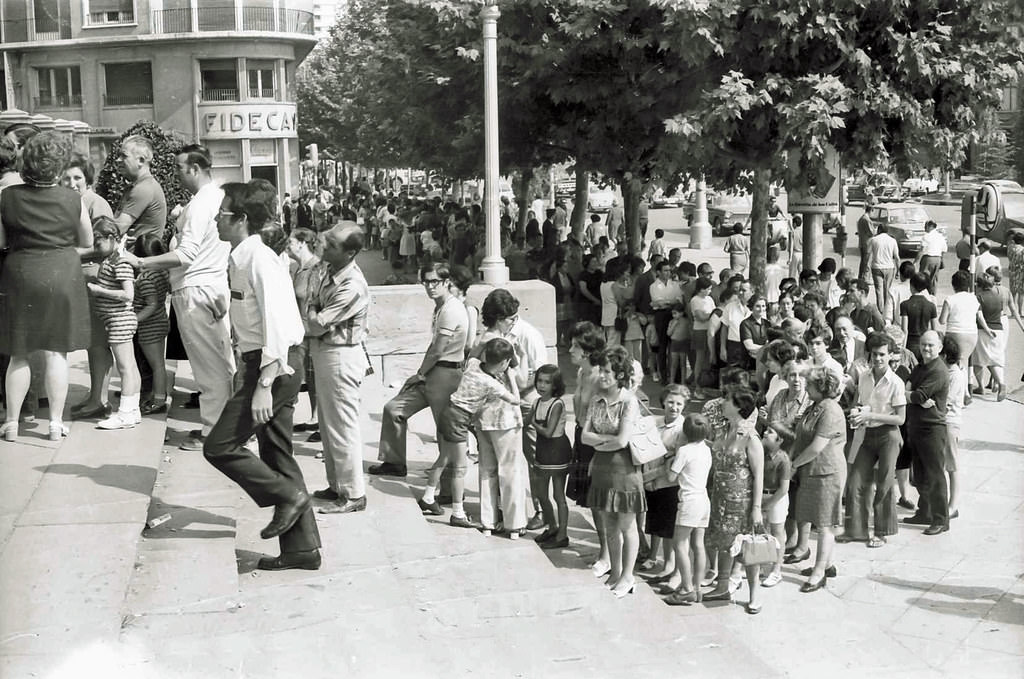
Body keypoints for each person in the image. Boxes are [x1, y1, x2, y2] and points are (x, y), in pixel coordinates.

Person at [204, 180, 320, 571]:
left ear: (241, 220)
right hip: (264, 363)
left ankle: (287, 496)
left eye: (222, 213)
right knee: (276, 453)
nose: (216, 218)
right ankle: (302, 550)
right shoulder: (241, 257)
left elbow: (280, 325)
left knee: (219, 446)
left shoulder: (259, 260)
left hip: (274, 365)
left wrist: (263, 386)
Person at [120, 144, 233, 452]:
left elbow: (185, 254)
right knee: (220, 363)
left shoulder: (200, 205)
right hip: (211, 284)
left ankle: (215, 433)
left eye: (180, 169)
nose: (177, 175)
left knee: (209, 368)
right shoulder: (215, 198)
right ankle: (225, 428)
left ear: (195, 169)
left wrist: (142, 262)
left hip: (196, 289)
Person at [1, 131, 92, 442]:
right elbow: (87, 241)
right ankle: (54, 424)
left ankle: (12, 423)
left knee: (18, 353)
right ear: (58, 165)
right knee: (56, 353)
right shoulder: (73, 199)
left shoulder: (7, 197)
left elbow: (1, 242)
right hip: (62, 273)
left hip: (21, 272)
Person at [373, 262, 467, 477]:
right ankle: (394, 462)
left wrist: (420, 374)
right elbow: (433, 346)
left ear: (446, 282)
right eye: (426, 282)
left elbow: (438, 349)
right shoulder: (440, 307)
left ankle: (449, 488)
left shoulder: (451, 309)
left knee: (444, 430)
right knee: (393, 409)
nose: (430, 287)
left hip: (446, 373)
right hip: (433, 372)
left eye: (435, 282)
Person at [305, 223, 371, 514]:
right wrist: (313, 312)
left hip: (341, 355)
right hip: (326, 352)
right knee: (329, 425)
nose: (325, 248)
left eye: (332, 245)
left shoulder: (353, 284)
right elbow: (311, 303)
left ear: (351, 252)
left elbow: (317, 323)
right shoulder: (327, 270)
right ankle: (337, 485)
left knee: (342, 426)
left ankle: (354, 493)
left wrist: (312, 314)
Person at [422, 337, 520, 528]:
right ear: (504, 363)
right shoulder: (492, 384)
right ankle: (458, 513)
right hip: (459, 420)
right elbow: (515, 400)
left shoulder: (474, 364)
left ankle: (427, 496)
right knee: (460, 468)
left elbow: (477, 347)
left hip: (449, 412)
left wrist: (489, 344)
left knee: (444, 458)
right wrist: (512, 377)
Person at [580, 347, 645, 598]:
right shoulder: (596, 398)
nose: (603, 375)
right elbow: (584, 437)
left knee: (627, 525)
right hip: (602, 467)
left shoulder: (629, 401)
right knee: (609, 525)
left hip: (624, 469)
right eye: (602, 370)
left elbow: (623, 441)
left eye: (608, 371)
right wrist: (606, 439)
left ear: (620, 374)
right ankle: (616, 571)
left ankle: (629, 576)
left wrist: (601, 440)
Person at [702, 388, 765, 614]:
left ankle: (754, 595)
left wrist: (757, 508)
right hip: (720, 498)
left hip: (742, 502)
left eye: (727, 400)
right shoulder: (724, 430)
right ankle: (722, 586)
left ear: (739, 406)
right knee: (722, 542)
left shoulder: (751, 437)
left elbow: (759, 475)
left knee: (747, 549)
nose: (722, 403)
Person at [64, 155, 117, 421]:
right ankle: (95, 396)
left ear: (88, 179)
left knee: (97, 342)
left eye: (77, 178)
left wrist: (65, 253)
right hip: (77, 279)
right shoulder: (70, 202)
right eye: (67, 178)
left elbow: (104, 246)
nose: (72, 183)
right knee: (90, 341)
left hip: (94, 279)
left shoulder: (97, 204)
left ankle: (100, 399)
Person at [842, 332, 906, 548]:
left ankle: (881, 530)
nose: (878, 359)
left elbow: (901, 418)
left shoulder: (895, 382)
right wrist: (856, 412)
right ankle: (855, 530)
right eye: (874, 354)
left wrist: (871, 415)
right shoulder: (864, 377)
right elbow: (858, 403)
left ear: (889, 356)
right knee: (855, 482)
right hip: (866, 433)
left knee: (885, 483)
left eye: (882, 354)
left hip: (888, 435)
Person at [790, 367, 847, 592]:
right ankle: (828, 563)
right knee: (817, 518)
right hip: (812, 470)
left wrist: (793, 465)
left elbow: (816, 447)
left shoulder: (830, 411)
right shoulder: (815, 406)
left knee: (824, 524)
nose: (805, 386)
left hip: (827, 472)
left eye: (810, 384)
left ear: (821, 387)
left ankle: (819, 571)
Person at [84, 218, 141, 430]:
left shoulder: (121, 262)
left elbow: (128, 294)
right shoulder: (113, 258)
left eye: (98, 240)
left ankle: (125, 413)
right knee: (131, 366)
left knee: (125, 367)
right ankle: (133, 410)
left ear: (110, 238)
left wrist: (100, 291)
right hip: (116, 320)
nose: (95, 245)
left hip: (119, 320)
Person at [903, 330, 951, 536]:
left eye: (931, 345)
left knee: (935, 475)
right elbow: (908, 388)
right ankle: (925, 512)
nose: (926, 348)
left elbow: (918, 394)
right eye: (923, 344)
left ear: (940, 347)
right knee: (920, 475)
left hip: (932, 429)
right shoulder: (922, 366)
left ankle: (941, 519)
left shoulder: (938, 371)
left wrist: (913, 395)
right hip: (916, 425)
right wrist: (910, 394)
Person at [663, 414, 712, 606]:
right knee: (698, 545)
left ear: (685, 432)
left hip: (689, 501)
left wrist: (670, 459)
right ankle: (697, 588)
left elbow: (670, 478)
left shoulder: (684, 451)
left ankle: (686, 588)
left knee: (680, 544)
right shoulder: (706, 449)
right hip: (703, 499)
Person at [529, 364, 573, 549]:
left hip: (556, 450)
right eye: (540, 380)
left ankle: (562, 534)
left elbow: (548, 431)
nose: (542, 385)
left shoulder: (557, 404)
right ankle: (552, 526)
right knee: (540, 493)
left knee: (557, 494)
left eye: (547, 382)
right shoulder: (536, 402)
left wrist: (532, 423)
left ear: (555, 385)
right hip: (542, 450)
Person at [286, 228, 322, 437]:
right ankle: (315, 418)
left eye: (291, 241)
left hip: (311, 333)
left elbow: (316, 302)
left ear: (302, 243)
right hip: (301, 333)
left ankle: (321, 422)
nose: (287, 245)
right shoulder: (298, 268)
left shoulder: (315, 269)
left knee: (316, 378)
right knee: (310, 378)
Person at [131, 235, 171, 415]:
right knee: (158, 364)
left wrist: (134, 319)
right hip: (161, 321)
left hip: (150, 326)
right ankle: (157, 395)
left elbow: (151, 304)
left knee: (156, 365)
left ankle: (158, 400)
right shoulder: (163, 271)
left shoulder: (146, 277)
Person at [973, 269, 1024, 400]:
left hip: (984, 330)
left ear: (980, 285)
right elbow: (1011, 311)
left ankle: (981, 387)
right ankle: (1000, 383)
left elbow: (979, 316)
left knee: (978, 360)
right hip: (999, 328)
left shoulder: (979, 297)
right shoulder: (1001, 295)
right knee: (995, 358)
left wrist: (986, 329)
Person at [112, 135, 167, 246]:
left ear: (141, 160)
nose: (118, 160)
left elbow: (116, 229)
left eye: (124, 156)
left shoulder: (143, 189)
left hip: (137, 259)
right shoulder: (139, 186)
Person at [758, 425, 791, 588]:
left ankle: (776, 570)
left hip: (777, 497)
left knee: (777, 532)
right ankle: (764, 566)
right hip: (761, 495)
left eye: (770, 432)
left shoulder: (783, 459)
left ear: (780, 440)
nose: (765, 432)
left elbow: (784, 488)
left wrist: (768, 505)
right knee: (762, 532)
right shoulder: (761, 454)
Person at [939, 270, 983, 378]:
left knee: (953, 363)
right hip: (972, 334)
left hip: (954, 333)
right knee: (963, 361)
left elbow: (942, 320)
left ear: (953, 285)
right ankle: (965, 389)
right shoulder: (974, 298)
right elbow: (980, 317)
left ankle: (960, 388)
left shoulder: (950, 299)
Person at [941, 336, 966, 521]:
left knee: (952, 465)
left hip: (950, 422)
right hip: (943, 422)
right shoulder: (947, 371)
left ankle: (953, 505)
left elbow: (946, 402)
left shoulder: (954, 374)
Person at [650, 259, 682, 383]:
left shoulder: (674, 284)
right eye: (665, 270)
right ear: (658, 272)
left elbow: (679, 300)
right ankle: (664, 376)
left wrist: (666, 302)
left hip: (674, 314)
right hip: (661, 316)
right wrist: (669, 302)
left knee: (675, 344)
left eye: (669, 270)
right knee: (662, 345)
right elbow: (658, 303)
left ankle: (676, 377)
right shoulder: (654, 286)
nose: (668, 273)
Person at [900, 272, 938, 363]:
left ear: (911, 286)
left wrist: (903, 348)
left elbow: (904, 329)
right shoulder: (931, 305)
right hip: (925, 343)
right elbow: (934, 329)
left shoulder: (905, 305)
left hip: (911, 343)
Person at [689, 277, 716, 398]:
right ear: (701, 289)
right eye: (708, 289)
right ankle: (697, 386)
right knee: (700, 359)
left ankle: (705, 384)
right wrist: (711, 314)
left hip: (710, 330)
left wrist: (709, 315)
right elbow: (701, 317)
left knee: (708, 359)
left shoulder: (709, 299)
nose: (710, 291)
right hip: (700, 331)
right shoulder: (695, 300)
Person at [866, 223, 900, 315]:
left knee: (879, 290)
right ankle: (887, 311)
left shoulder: (873, 240)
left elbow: (868, 254)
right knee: (887, 289)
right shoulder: (892, 241)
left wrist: (867, 267)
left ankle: (880, 311)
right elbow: (896, 257)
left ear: (879, 230)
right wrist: (898, 270)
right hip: (889, 267)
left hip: (876, 267)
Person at [914, 220, 946, 294]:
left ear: (930, 226)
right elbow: (944, 249)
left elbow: (921, 250)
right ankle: (933, 297)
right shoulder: (940, 236)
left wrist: (915, 262)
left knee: (923, 279)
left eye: (926, 226)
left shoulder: (926, 236)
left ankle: (924, 296)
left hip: (928, 258)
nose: (924, 228)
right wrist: (941, 259)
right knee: (934, 280)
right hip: (938, 258)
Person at [1007, 230, 1024, 315]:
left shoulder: (1010, 247)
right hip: (1021, 272)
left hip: (1012, 271)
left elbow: (1009, 257)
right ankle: (1021, 311)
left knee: (1013, 292)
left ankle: (1013, 311)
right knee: (1021, 293)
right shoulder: (1022, 250)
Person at [856, 207, 873, 280]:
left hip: (862, 243)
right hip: (867, 244)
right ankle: (865, 278)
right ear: (871, 211)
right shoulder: (866, 219)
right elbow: (871, 232)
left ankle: (861, 277)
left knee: (863, 261)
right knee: (866, 262)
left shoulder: (861, 218)